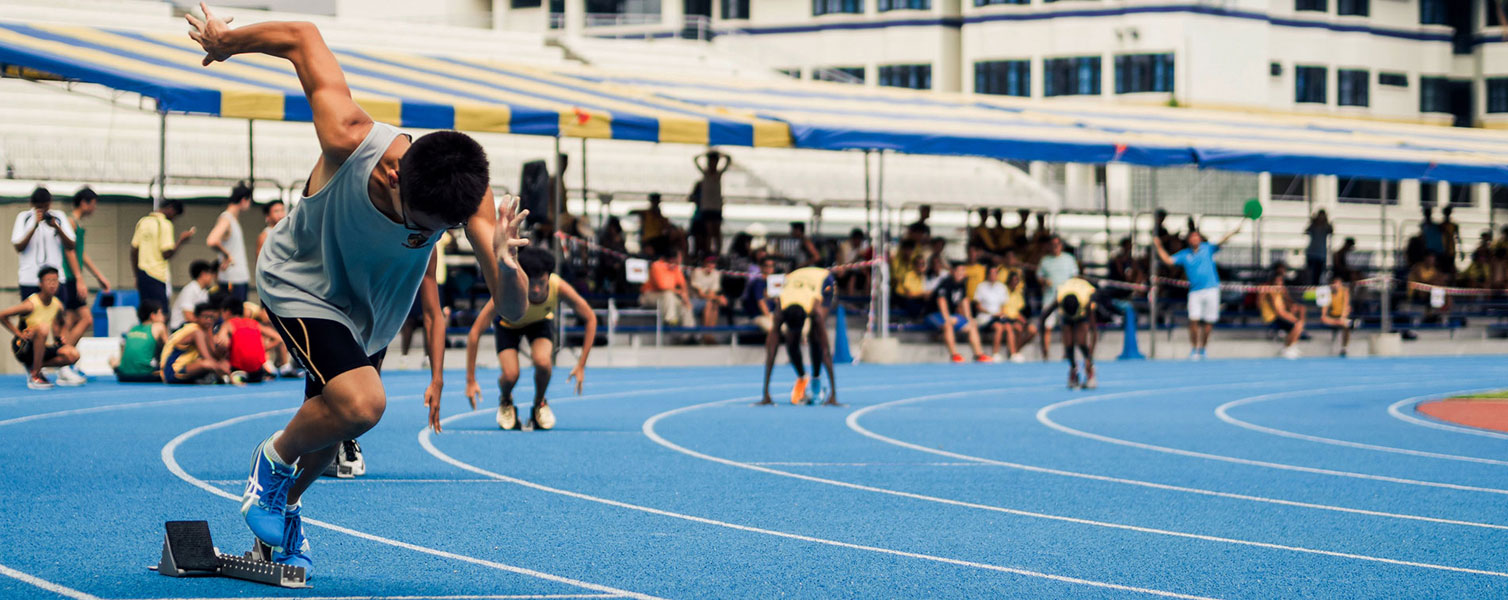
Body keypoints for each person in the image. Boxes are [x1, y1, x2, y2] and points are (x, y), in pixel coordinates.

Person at [186, 5, 530, 577]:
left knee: (333, 420)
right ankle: (269, 463)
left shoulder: (466, 196)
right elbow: (302, 35)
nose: (427, 237)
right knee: (363, 403)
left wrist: (506, 262)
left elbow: (513, 311)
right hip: (298, 281)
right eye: (420, 225)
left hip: (368, 312)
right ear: (396, 175)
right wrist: (228, 42)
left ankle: (285, 507)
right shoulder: (349, 137)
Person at [464, 247, 597, 431]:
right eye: (530, 283)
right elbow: (475, 333)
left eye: (541, 283)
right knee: (510, 375)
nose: (535, 289)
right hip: (508, 326)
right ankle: (506, 400)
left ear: (548, 278)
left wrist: (581, 364)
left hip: (539, 323)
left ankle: (539, 403)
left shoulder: (558, 287)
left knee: (543, 363)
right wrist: (471, 380)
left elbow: (590, 318)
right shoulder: (508, 289)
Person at [13, 188, 88, 387]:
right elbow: (18, 246)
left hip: (56, 279)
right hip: (31, 279)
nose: (43, 210)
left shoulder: (59, 217)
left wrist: (56, 227)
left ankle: (63, 368)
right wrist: (34, 226)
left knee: (59, 322)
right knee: (34, 326)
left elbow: (71, 244)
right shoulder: (24, 218)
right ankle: (33, 367)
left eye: (46, 207)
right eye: (39, 208)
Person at [1153, 223, 1242, 360]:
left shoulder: (1208, 249)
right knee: (1193, 320)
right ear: (1189, 240)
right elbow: (1168, 261)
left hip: (1212, 290)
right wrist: (1158, 246)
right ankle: (1194, 349)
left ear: (1200, 239)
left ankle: (1203, 349)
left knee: (1208, 322)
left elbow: (1223, 239)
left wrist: (1234, 232)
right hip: (1195, 292)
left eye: (1197, 237)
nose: (1195, 239)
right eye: (1192, 237)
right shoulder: (1184, 254)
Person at [758, 265, 838, 406]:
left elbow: (826, 350)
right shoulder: (781, 308)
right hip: (795, 277)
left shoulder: (814, 309)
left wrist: (833, 395)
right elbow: (771, 351)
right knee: (791, 339)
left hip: (822, 278)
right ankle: (802, 377)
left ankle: (816, 379)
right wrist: (766, 394)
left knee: (816, 335)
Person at [0, 267, 82, 390]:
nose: (52, 284)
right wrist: (18, 333)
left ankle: (35, 366)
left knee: (72, 354)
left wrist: (61, 337)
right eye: (48, 281)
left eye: (55, 280)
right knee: (42, 328)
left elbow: (61, 323)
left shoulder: (57, 304)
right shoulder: (31, 304)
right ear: (40, 283)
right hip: (23, 346)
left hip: (40, 347)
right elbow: (2, 315)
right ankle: (35, 375)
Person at [64, 187, 111, 345]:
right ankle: (63, 354)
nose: (94, 208)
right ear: (84, 203)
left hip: (72, 277)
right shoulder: (70, 222)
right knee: (85, 319)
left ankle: (64, 360)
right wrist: (79, 279)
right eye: (93, 204)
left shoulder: (77, 224)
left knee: (70, 319)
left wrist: (99, 276)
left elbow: (80, 253)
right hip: (69, 277)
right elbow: (69, 251)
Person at [131, 199, 196, 310]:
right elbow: (167, 253)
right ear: (170, 209)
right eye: (175, 215)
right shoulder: (165, 224)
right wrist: (181, 240)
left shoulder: (143, 222)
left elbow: (134, 251)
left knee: (147, 313)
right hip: (157, 275)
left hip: (142, 274)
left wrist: (137, 275)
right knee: (161, 313)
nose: (174, 218)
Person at [1038, 277, 1100, 390]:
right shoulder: (1059, 298)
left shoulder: (1086, 301)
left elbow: (1094, 332)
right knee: (1068, 342)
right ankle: (1073, 368)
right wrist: (1043, 346)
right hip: (1067, 311)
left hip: (1082, 310)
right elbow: (1042, 319)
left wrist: (1090, 359)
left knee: (1081, 340)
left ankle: (1090, 371)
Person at [929, 262, 992, 363]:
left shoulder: (962, 284)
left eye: (963, 270)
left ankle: (979, 354)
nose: (961, 273)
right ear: (953, 271)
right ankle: (954, 355)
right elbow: (941, 301)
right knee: (948, 324)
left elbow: (964, 301)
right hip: (934, 314)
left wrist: (968, 318)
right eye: (959, 271)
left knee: (971, 325)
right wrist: (947, 318)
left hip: (951, 315)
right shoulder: (946, 283)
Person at [161, 302, 231, 384]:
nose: (209, 320)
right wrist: (227, 373)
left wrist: (221, 350)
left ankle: (216, 377)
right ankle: (224, 379)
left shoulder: (205, 330)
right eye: (205, 317)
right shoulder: (196, 332)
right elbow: (208, 358)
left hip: (184, 368)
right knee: (207, 364)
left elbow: (214, 354)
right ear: (196, 318)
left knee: (222, 363)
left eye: (211, 317)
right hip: (171, 371)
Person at [208, 182, 255, 301]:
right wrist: (227, 254)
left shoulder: (232, 219)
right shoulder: (226, 219)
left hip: (238, 277)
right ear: (244, 200)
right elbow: (212, 240)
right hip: (232, 278)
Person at [1035, 235, 1079, 357]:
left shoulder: (1069, 259)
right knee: (1047, 327)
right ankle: (1045, 354)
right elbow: (1039, 276)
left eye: (1057, 245)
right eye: (1052, 245)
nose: (1055, 247)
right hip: (1049, 298)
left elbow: (1074, 277)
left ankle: (1067, 354)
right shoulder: (1045, 261)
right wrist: (1044, 281)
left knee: (1066, 327)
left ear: (1061, 246)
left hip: (1065, 298)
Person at [222, 297, 278, 383]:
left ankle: (230, 376)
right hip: (257, 371)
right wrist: (262, 349)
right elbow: (278, 338)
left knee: (224, 351)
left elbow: (219, 340)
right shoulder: (254, 323)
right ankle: (259, 374)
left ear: (227, 312)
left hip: (238, 367)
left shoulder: (228, 324)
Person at [114, 301, 168, 383]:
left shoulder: (133, 328)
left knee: (112, 360)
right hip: (144, 375)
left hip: (123, 376)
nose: (163, 316)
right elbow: (170, 347)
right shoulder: (159, 326)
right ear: (153, 316)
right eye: (160, 313)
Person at [1258, 266, 1305, 359]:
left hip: (1278, 316)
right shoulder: (1271, 292)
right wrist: (1292, 318)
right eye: (1278, 281)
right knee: (1298, 325)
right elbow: (1278, 311)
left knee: (1300, 322)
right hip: (1272, 317)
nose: (1280, 283)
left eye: (1281, 281)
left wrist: (1292, 307)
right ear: (1273, 281)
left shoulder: (1280, 291)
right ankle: (1287, 348)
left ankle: (1291, 346)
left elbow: (1288, 301)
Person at [640, 250, 693, 327]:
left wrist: (686, 298)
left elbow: (683, 285)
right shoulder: (657, 265)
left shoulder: (675, 268)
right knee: (668, 294)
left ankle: (689, 333)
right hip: (649, 296)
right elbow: (662, 286)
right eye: (678, 258)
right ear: (670, 259)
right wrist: (680, 292)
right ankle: (670, 321)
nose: (679, 260)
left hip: (667, 298)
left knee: (685, 306)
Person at [692, 149, 731, 257]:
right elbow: (695, 160)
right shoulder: (705, 174)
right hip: (707, 207)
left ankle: (718, 253)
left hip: (716, 207)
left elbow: (728, 160)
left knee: (717, 232)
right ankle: (708, 252)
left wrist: (720, 154)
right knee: (709, 232)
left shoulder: (718, 174)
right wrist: (705, 153)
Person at [172, 260, 219, 330]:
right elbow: (188, 316)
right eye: (210, 273)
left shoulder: (204, 291)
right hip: (180, 327)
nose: (212, 277)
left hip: (194, 326)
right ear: (203, 274)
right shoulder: (190, 289)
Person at [689, 255, 727, 343]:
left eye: (713, 263)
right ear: (704, 263)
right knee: (709, 304)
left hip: (707, 299)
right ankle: (705, 334)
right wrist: (719, 298)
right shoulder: (697, 272)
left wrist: (716, 298)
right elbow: (700, 294)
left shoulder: (716, 273)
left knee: (714, 304)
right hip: (694, 301)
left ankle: (710, 334)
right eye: (709, 263)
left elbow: (712, 292)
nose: (711, 265)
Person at [1320, 274, 1353, 357]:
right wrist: (1338, 321)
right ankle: (1340, 322)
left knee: (1345, 324)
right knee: (1325, 319)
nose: (1336, 286)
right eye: (1334, 283)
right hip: (1332, 318)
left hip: (1341, 317)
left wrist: (1343, 317)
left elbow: (1346, 306)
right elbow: (1323, 314)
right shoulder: (1328, 293)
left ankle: (1344, 347)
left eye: (1338, 284)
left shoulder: (1345, 291)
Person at [1304, 210, 1331, 286]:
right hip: (1312, 253)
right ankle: (1309, 288)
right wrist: (1313, 221)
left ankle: (1315, 289)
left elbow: (1331, 230)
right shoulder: (1313, 225)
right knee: (1310, 275)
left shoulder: (1326, 226)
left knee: (1318, 276)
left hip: (1321, 255)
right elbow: (1306, 231)